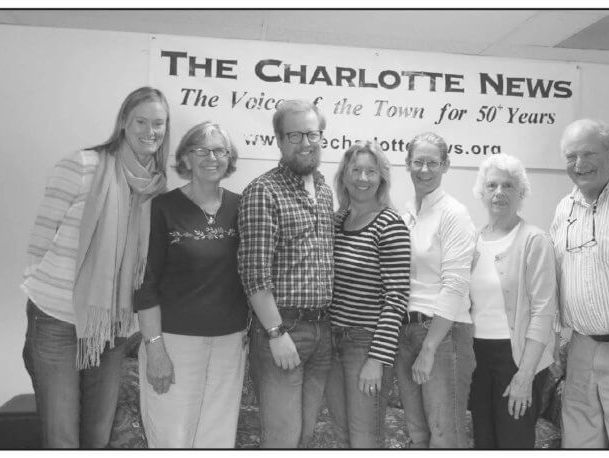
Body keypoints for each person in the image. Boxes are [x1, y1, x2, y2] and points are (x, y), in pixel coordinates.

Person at [21, 87, 170, 448]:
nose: (150, 131)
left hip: (113, 328)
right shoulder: (82, 165)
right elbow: (41, 238)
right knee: (62, 439)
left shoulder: (156, 189)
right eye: (141, 121)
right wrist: (47, 286)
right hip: (56, 321)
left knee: (97, 437)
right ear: (123, 122)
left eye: (159, 124)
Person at [133, 121, 249, 447]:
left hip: (230, 342)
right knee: (172, 437)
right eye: (201, 150)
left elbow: (254, 274)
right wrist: (154, 346)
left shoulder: (244, 207)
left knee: (218, 437)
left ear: (229, 158)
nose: (211, 157)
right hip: (174, 342)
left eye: (219, 151)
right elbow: (145, 282)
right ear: (186, 157)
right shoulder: (161, 208)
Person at [238, 99, 335, 448]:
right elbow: (253, 274)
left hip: (323, 330)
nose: (305, 142)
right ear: (278, 141)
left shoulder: (324, 190)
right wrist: (276, 332)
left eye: (312, 133)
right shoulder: (263, 191)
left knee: (305, 437)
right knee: (281, 440)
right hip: (283, 329)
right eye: (294, 135)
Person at [550, 119, 609, 448]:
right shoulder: (564, 207)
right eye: (571, 156)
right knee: (578, 428)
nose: (580, 164)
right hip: (580, 344)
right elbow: (556, 272)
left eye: (589, 153)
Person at [324, 141, 411, 448]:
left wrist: (377, 358)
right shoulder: (334, 222)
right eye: (356, 170)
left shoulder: (390, 224)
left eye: (371, 171)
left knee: (365, 439)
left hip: (365, 345)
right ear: (344, 176)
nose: (363, 178)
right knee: (341, 433)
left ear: (381, 178)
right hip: (329, 342)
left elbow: (397, 297)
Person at [468, 154, 557, 449]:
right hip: (477, 357)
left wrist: (525, 376)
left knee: (513, 442)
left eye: (508, 185)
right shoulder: (474, 240)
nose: (499, 192)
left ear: (521, 192)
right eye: (492, 185)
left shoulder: (535, 240)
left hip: (517, 358)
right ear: (482, 192)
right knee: (484, 441)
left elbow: (544, 312)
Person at [395, 132, 476, 448]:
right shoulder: (406, 214)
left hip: (443, 335)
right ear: (407, 164)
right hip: (406, 330)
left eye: (432, 163)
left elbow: (455, 284)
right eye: (418, 162)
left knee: (445, 437)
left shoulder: (454, 213)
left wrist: (429, 347)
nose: (424, 170)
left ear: (445, 166)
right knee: (418, 434)